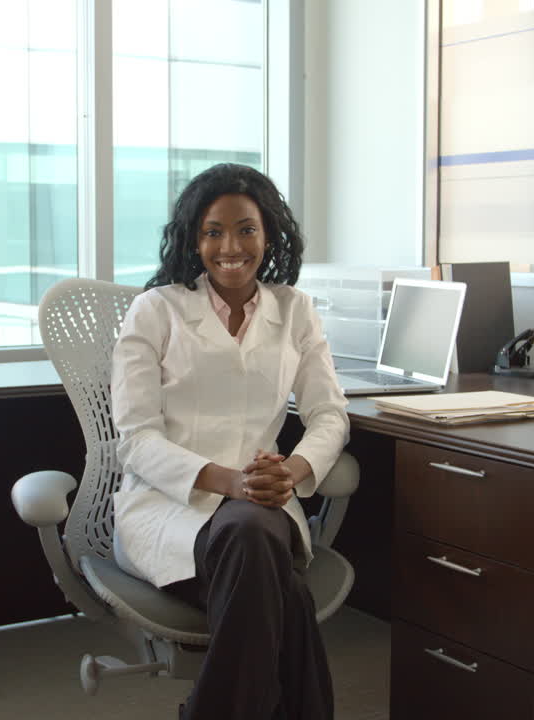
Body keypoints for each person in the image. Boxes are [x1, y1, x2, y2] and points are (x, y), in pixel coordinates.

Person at [110, 163, 350, 720]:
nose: (230, 246)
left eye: (246, 229)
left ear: (269, 235)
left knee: (251, 531)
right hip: (168, 506)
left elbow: (329, 414)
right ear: (194, 239)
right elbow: (136, 439)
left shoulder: (294, 311)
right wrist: (232, 482)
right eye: (213, 231)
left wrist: (289, 471)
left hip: (264, 503)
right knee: (276, 580)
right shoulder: (156, 311)